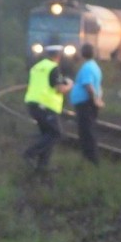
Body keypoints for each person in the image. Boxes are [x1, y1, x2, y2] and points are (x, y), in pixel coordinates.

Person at [22, 44, 73, 172]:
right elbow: (59, 88)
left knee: (47, 134)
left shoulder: (37, 67)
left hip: (33, 104)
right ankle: (30, 153)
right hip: (46, 106)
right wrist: (70, 85)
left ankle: (42, 166)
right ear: (59, 55)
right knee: (56, 134)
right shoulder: (53, 68)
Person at [70, 43, 104, 165]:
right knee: (88, 130)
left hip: (85, 103)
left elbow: (88, 85)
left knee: (86, 132)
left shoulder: (87, 68)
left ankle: (91, 160)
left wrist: (95, 100)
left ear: (81, 54)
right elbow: (98, 85)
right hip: (88, 103)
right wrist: (98, 98)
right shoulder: (95, 66)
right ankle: (90, 159)